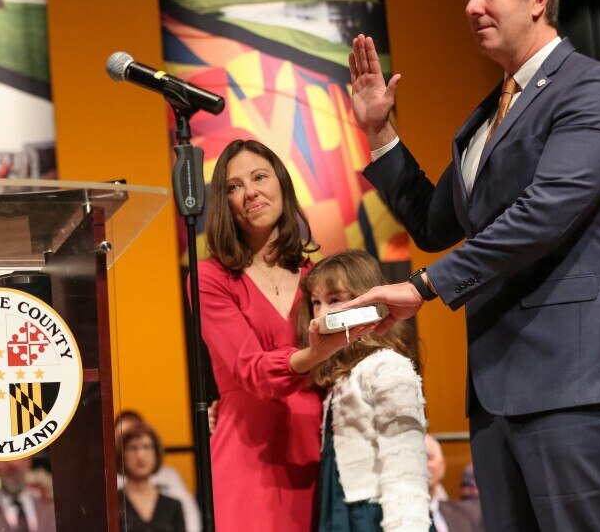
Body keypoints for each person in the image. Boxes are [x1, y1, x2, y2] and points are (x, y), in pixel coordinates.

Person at [345, 0, 600, 530]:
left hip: (576, 385)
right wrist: (380, 133)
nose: (470, 7)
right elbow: (433, 223)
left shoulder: (592, 89)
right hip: (497, 394)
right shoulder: (491, 114)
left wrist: (422, 287)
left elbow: (543, 214)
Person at [195, 139, 374, 531]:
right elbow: (249, 370)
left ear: (281, 184)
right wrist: (312, 355)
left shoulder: (319, 278)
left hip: (324, 452)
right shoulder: (210, 277)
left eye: (260, 177)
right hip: (247, 457)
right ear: (224, 203)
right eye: (234, 186)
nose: (250, 192)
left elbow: (357, 360)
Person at [296, 250, 432, 531]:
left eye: (334, 300)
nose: (322, 313)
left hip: (375, 515)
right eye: (316, 303)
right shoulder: (339, 378)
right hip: (339, 509)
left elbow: (405, 466)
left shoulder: (388, 367)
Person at [114, 410, 200, 532]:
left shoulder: (173, 505)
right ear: (121, 454)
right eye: (132, 448)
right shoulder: (113, 503)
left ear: (156, 453)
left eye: (147, 447)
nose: (140, 455)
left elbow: (192, 519)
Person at [424, 435, 483, 532]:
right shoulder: (396, 517)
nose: (422, 464)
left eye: (428, 457)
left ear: (442, 465)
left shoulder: (470, 515)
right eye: (413, 459)